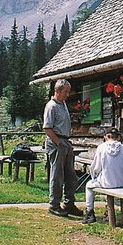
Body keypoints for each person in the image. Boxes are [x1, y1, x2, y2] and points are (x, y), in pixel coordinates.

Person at [43, 79, 82, 217]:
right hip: (57, 142)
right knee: (57, 175)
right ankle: (54, 205)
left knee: (71, 176)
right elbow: (47, 128)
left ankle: (69, 204)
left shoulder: (63, 104)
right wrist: (58, 142)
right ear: (57, 91)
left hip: (65, 141)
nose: (67, 94)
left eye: (68, 91)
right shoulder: (51, 106)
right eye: (65, 91)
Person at [82, 128, 123, 224]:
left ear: (105, 137)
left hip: (107, 183)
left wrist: (94, 175)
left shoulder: (101, 148)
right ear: (119, 137)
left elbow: (96, 168)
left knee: (88, 186)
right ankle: (114, 213)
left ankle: (89, 212)